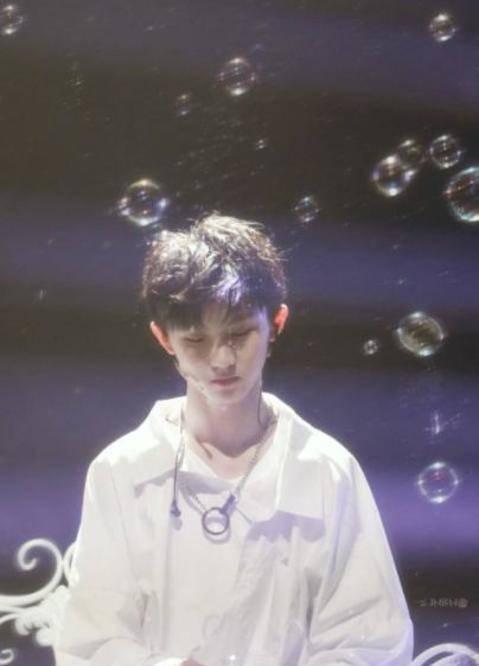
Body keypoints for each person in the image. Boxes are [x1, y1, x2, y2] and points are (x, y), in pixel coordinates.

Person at [54, 213, 414, 666]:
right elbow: (91, 642)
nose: (221, 359)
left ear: (277, 323)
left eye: (239, 334)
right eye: (195, 340)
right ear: (164, 338)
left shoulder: (327, 469)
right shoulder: (121, 471)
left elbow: (372, 641)